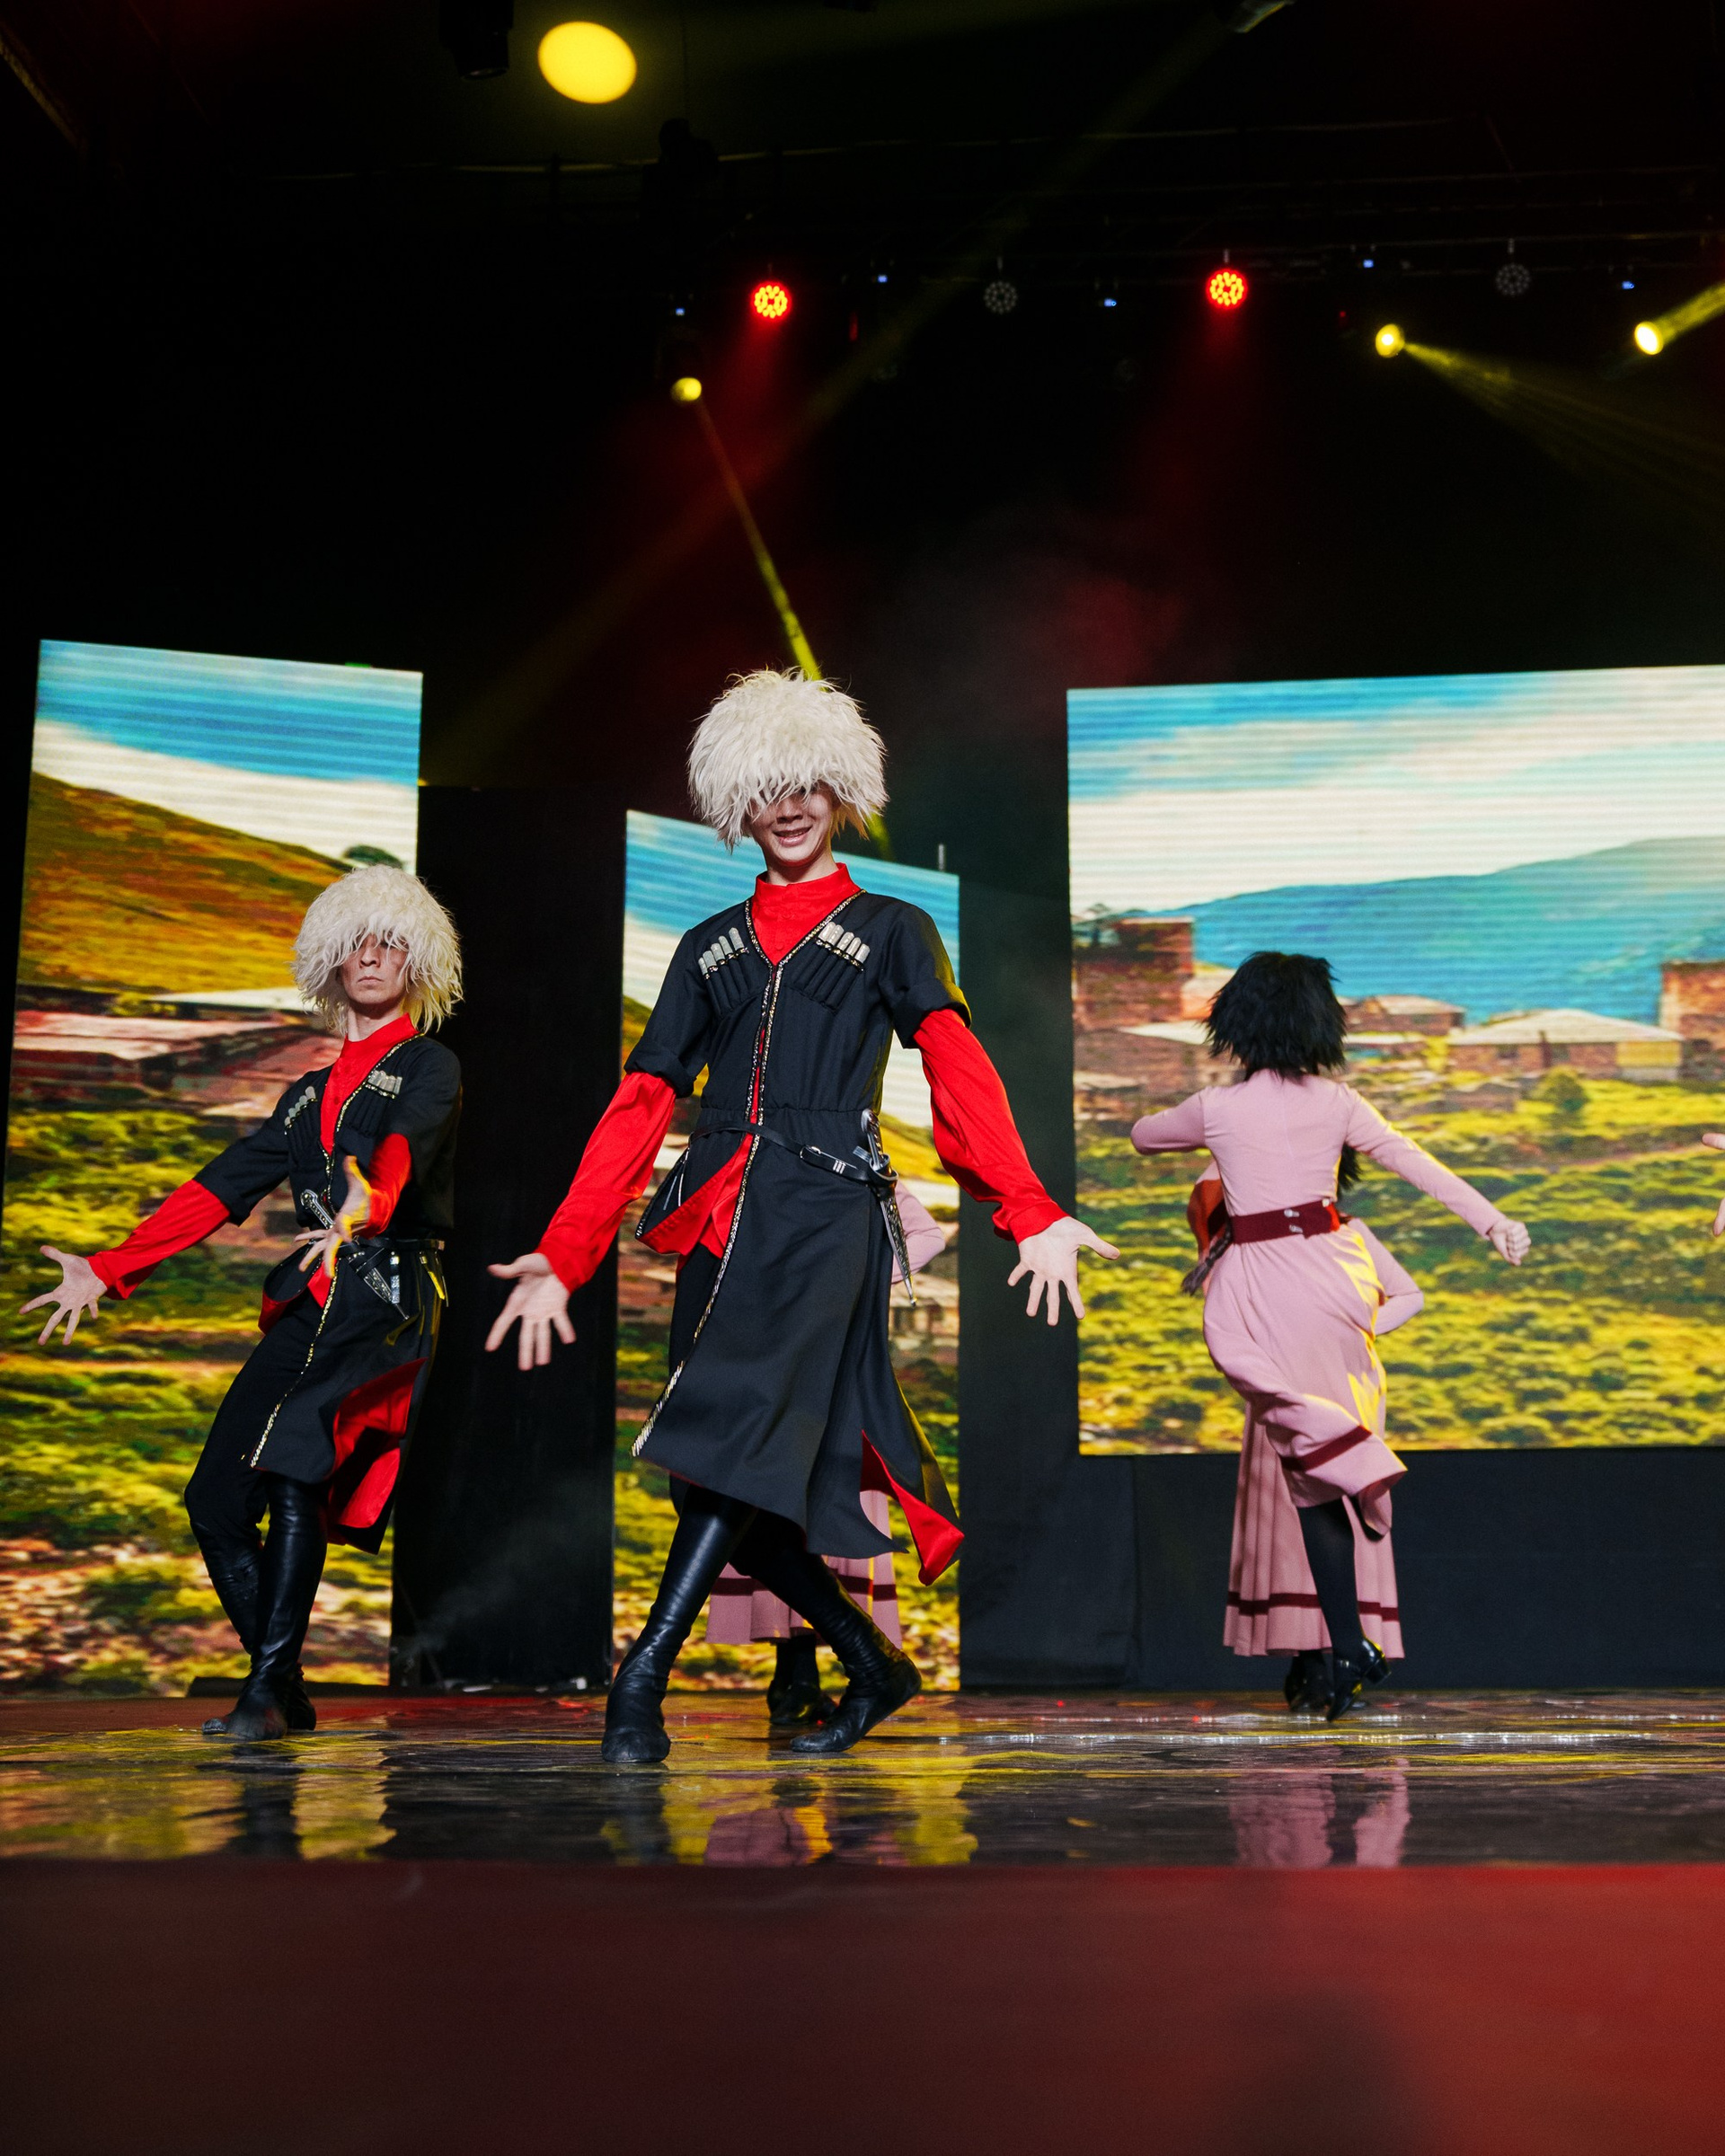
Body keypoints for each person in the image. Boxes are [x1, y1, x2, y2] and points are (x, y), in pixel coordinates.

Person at [486, 667, 1116, 1765]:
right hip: (721, 1220)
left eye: (808, 784)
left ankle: (640, 1683)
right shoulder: (708, 946)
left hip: (827, 1219)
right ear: (738, 801)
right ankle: (873, 1666)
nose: (789, 805)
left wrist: (1027, 1207)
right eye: (767, 788)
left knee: (732, 1449)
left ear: (841, 791)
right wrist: (563, 1249)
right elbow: (641, 1103)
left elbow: (958, 1068)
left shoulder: (893, 928)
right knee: (715, 1472)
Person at [22, 866, 463, 1741]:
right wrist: (109, 1268)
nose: (372, 956)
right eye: (357, 942)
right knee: (217, 1501)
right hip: (313, 1298)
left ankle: (264, 1694)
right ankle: (284, 1686)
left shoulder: (428, 1063)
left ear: (417, 960)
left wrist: (367, 1202)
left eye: (391, 943)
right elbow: (221, 1184)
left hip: (386, 1293)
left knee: (298, 1462)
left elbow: (403, 1149)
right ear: (331, 958)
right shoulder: (305, 1096)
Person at [1131, 951, 1530, 1721]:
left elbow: (1144, 1136)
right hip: (1334, 1277)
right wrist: (1493, 1221)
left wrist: (1215, 1135)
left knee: (1305, 1465)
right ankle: (1346, 1645)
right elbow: (1417, 1163)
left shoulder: (1217, 1107)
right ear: (1322, 1023)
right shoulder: (1339, 1101)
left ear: (1236, 1021)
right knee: (1314, 1466)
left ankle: (1344, 1648)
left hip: (1263, 1285)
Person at [706, 1187, 948, 1729]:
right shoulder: (770, 1174)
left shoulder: (864, 1171)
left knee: (824, 1509)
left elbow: (927, 1236)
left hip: (835, 1365)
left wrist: (856, 1281)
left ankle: (816, 1675)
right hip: (772, 1360)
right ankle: (794, 1675)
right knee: (773, 1506)